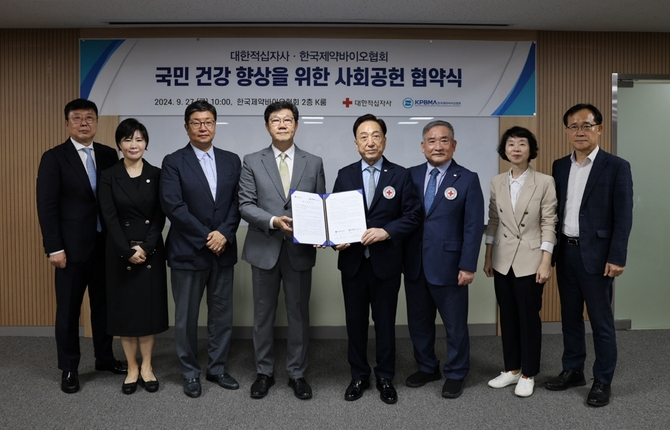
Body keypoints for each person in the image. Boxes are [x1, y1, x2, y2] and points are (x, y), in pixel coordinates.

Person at [544, 103, 633, 407]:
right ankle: (573, 370)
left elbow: (624, 216)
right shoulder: (559, 166)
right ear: (567, 131)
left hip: (598, 257)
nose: (579, 131)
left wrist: (617, 256)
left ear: (599, 129)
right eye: (573, 126)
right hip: (566, 253)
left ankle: (602, 380)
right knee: (570, 317)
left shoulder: (617, 166)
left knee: (600, 322)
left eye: (586, 125)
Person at [36, 98, 127, 393]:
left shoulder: (108, 154)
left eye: (89, 117)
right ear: (67, 124)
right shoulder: (54, 158)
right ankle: (69, 368)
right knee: (68, 311)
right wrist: (54, 248)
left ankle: (104, 358)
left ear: (96, 122)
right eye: (77, 118)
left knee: (104, 307)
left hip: (105, 246)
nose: (84, 123)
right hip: (71, 250)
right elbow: (47, 207)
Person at [238, 101, 326, 400]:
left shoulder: (313, 162)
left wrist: (321, 232)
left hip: (299, 250)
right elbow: (245, 204)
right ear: (267, 126)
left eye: (288, 119)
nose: (282, 124)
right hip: (264, 247)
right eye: (276, 120)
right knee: (263, 315)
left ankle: (297, 374)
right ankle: (264, 372)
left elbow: (320, 205)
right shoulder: (252, 160)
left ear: (296, 125)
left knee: (298, 314)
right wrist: (273, 221)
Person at [333, 114, 421, 405]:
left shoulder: (400, 175)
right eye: (363, 136)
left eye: (375, 136)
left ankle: (385, 376)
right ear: (356, 143)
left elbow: (413, 215)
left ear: (384, 140)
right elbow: (335, 216)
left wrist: (387, 231)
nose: (370, 142)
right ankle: (358, 375)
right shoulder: (345, 174)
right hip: (353, 263)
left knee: (385, 323)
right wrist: (334, 239)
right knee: (355, 323)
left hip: (386, 263)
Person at [160, 100, 242, 398]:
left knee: (222, 315)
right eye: (196, 122)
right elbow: (173, 206)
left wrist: (224, 234)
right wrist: (208, 237)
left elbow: (238, 202)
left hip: (223, 250)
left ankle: (217, 368)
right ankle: (190, 372)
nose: (203, 127)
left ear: (215, 125)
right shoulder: (173, 161)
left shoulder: (231, 160)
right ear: (186, 127)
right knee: (186, 318)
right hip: (188, 250)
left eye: (208, 122)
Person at [403, 120, 484, 399]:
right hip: (415, 264)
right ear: (423, 146)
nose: (437, 146)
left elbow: (473, 226)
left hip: (450, 266)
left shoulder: (467, 178)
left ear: (454, 145)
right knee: (418, 323)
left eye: (444, 140)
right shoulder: (410, 175)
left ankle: (456, 372)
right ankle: (427, 367)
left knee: (455, 325)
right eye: (432, 141)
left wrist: (468, 265)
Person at [483, 126, 557, 398]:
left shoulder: (544, 181)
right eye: (511, 144)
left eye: (522, 143)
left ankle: (528, 373)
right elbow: (493, 220)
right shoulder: (497, 181)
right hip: (502, 258)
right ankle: (512, 369)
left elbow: (549, 223)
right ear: (504, 150)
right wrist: (488, 255)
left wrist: (546, 261)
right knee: (508, 316)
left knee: (528, 317)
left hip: (530, 258)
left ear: (530, 149)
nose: (516, 148)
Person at [98, 118, 168, 394]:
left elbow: (160, 215)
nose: (133, 144)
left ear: (146, 143)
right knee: (125, 313)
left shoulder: (158, 174)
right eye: (128, 139)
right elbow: (109, 217)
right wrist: (126, 251)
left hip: (150, 251)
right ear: (119, 144)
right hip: (119, 252)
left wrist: (146, 247)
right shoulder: (109, 175)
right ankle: (132, 367)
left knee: (147, 312)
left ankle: (147, 366)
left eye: (139, 139)